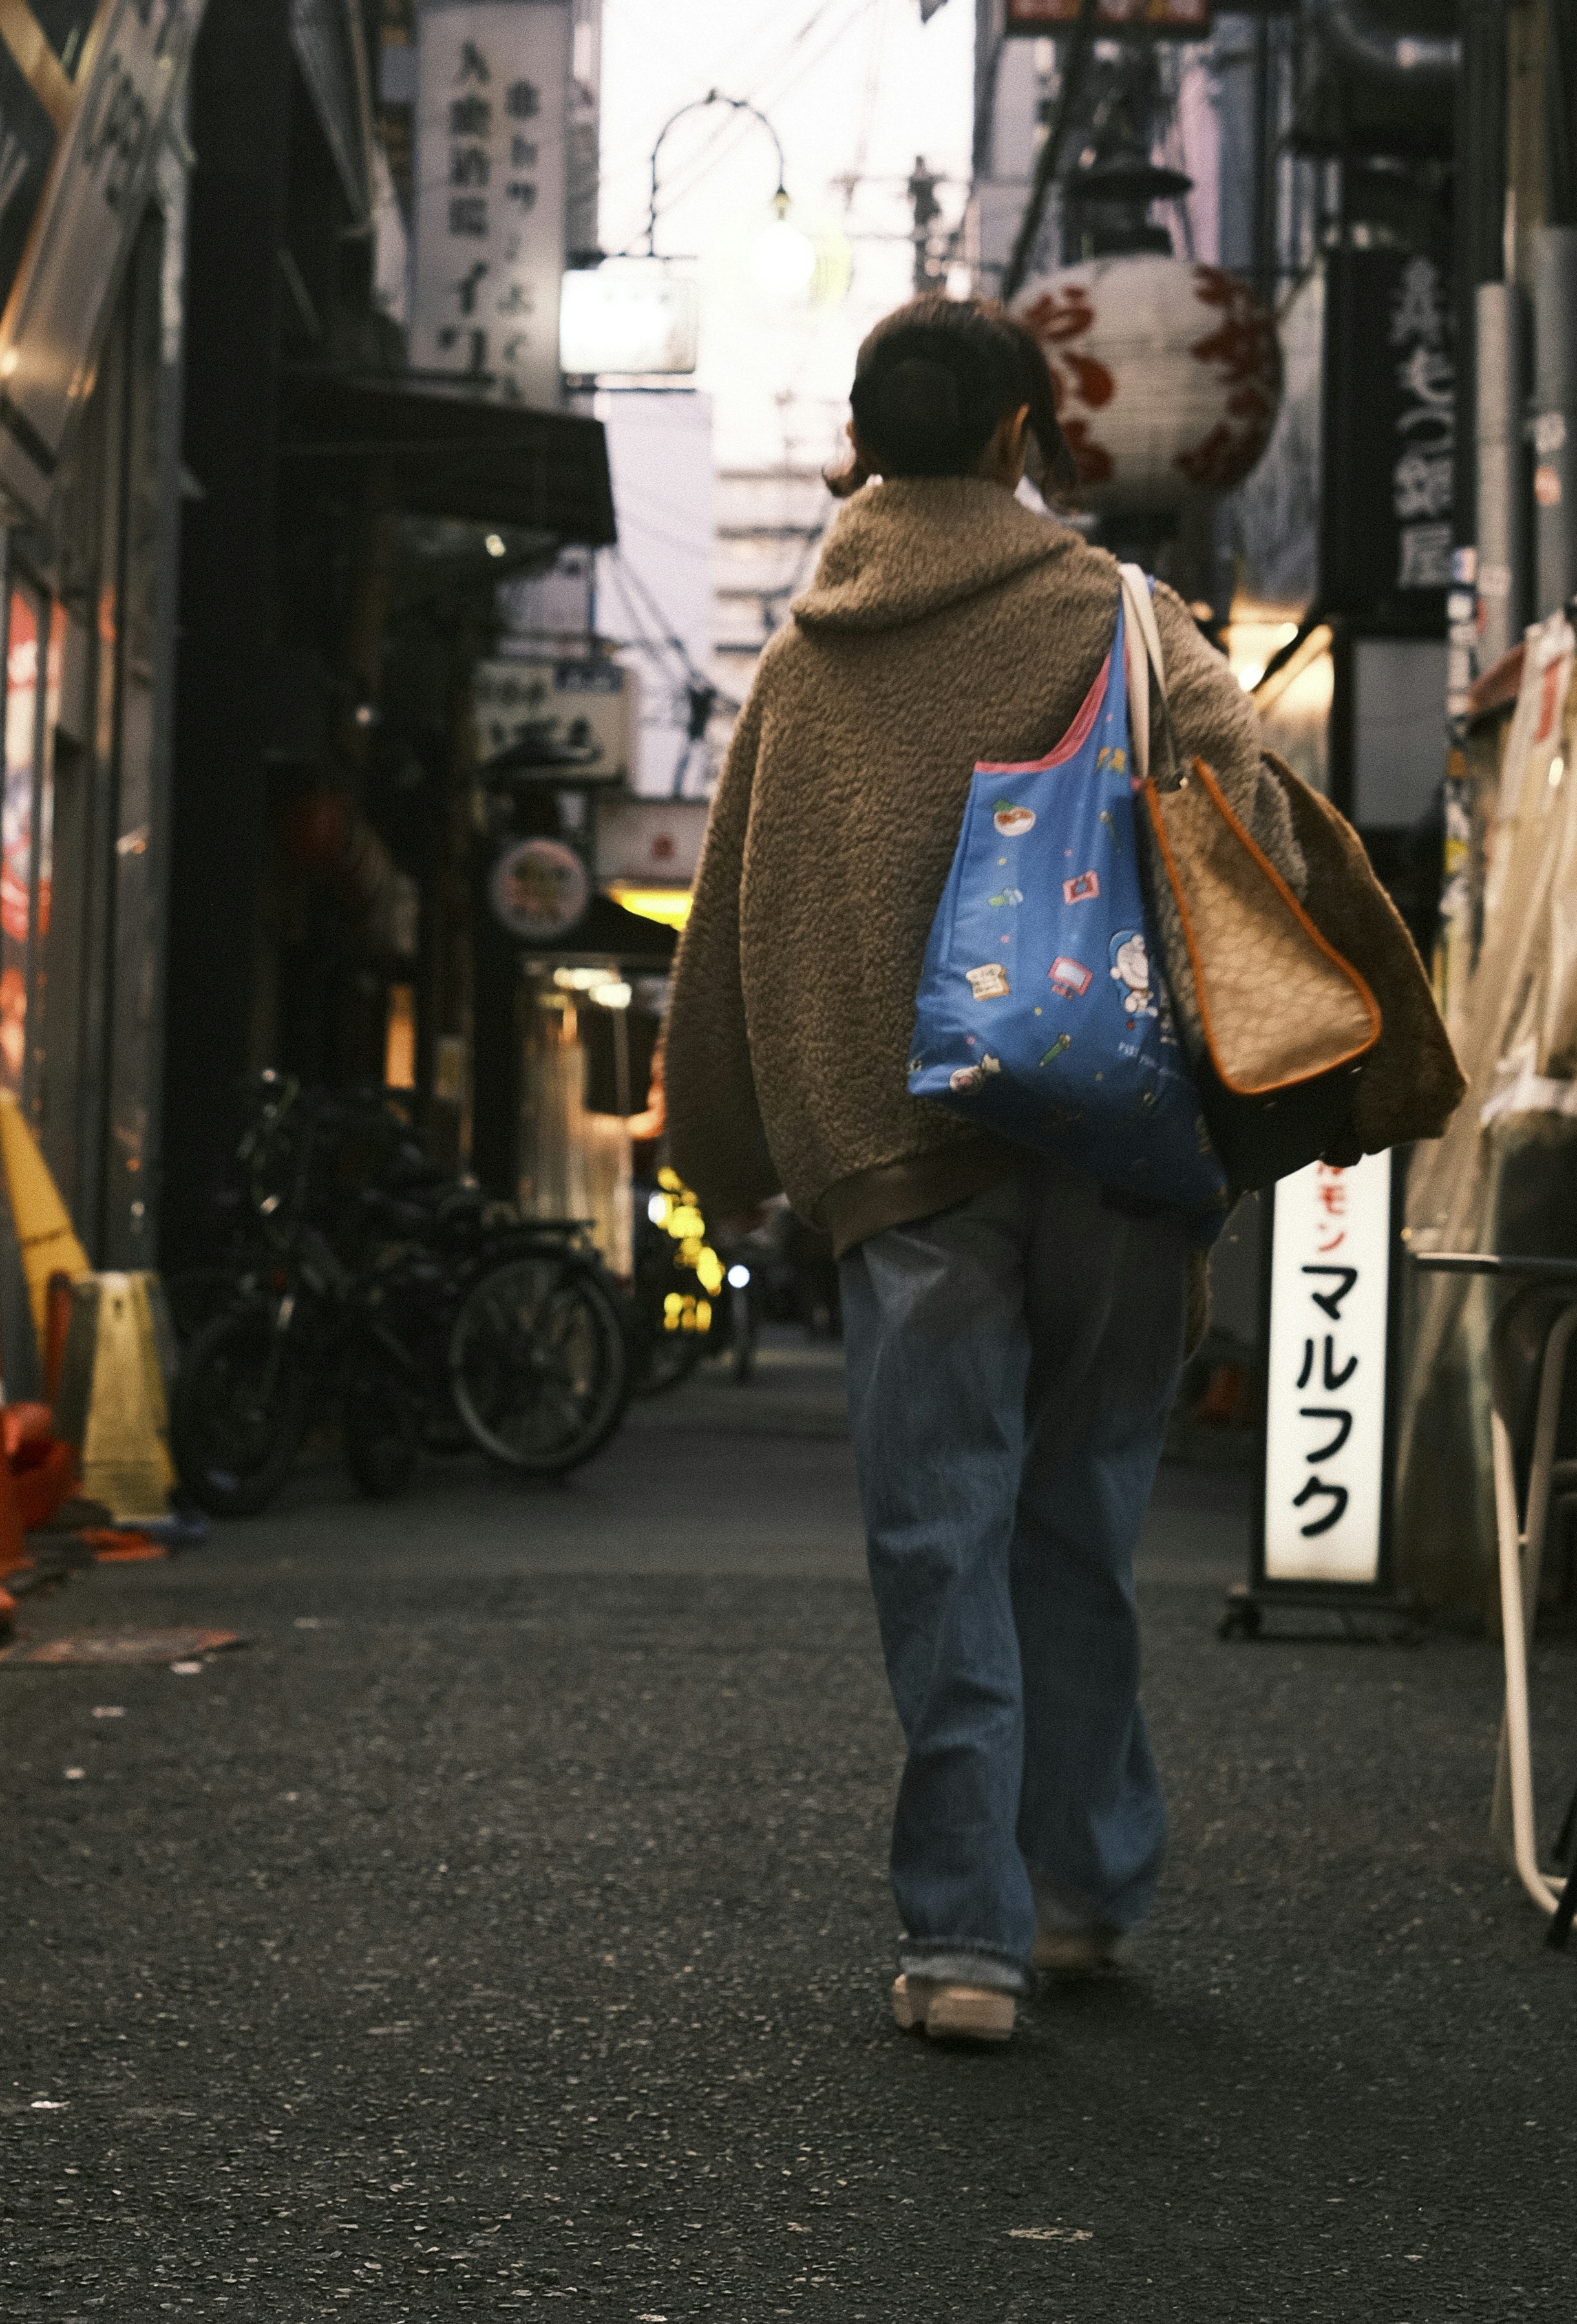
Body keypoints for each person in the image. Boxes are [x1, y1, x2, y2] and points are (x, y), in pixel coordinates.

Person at [661, 293, 1306, 2047]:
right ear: (1024, 437)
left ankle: (965, 1941)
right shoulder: (1117, 611)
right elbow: (1239, 794)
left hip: (903, 1157)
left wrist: (725, 1136)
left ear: (861, 445)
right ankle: (1086, 1881)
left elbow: (745, 908)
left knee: (937, 1531)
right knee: (1078, 1516)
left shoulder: (806, 660)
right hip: (1106, 1128)